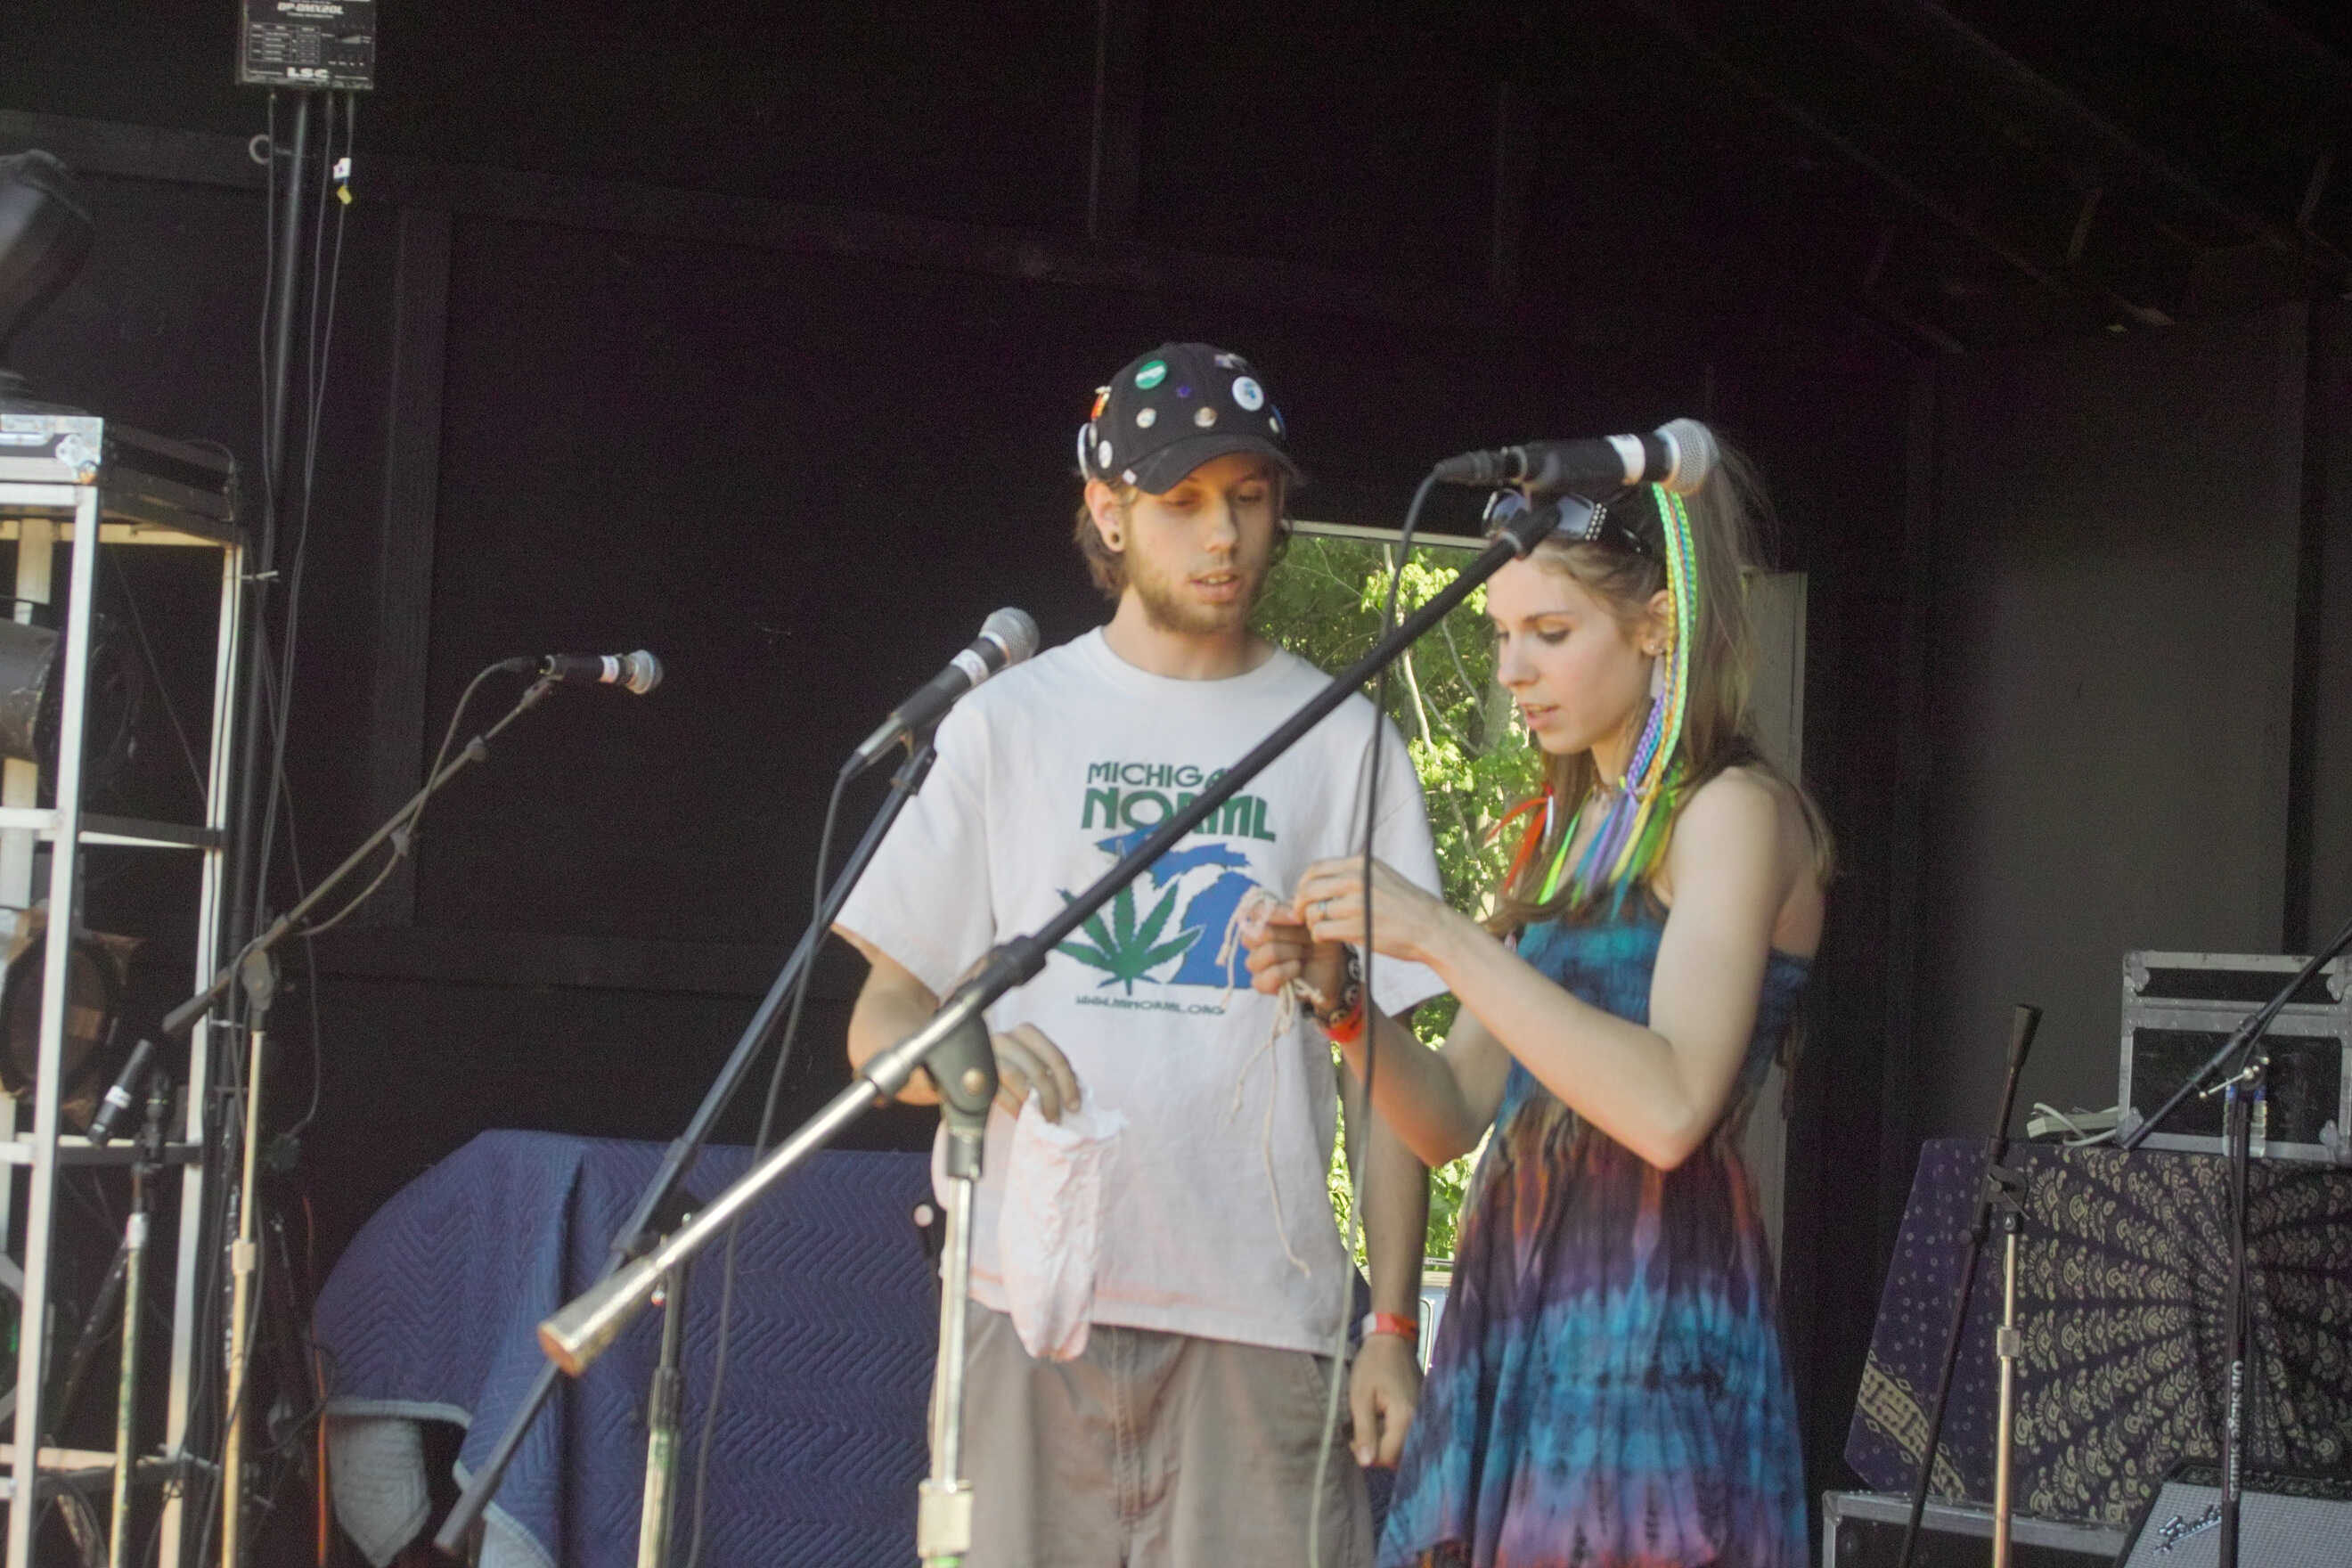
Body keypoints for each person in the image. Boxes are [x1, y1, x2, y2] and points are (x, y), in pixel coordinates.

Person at [835, 341, 1448, 1567]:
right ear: (1107, 513)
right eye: (1182, 502)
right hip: (1028, 1304)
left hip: (1263, 1314)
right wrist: (961, 1052)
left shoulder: (1348, 738)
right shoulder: (1007, 722)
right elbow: (878, 1020)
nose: (1223, 534)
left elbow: (1389, 1076)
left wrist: (1391, 1323)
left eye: (1250, 498)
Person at [1245, 454, 1831, 1568]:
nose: (1513, 669)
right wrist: (1343, 996)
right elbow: (1450, 1114)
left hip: (1652, 1331)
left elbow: (1670, 1107)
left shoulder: (1732, 811)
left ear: (1657, 624)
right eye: (1501, 634)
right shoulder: (1572, 824)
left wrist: (1443, 934)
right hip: (1526, 1311)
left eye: (1550, 633)